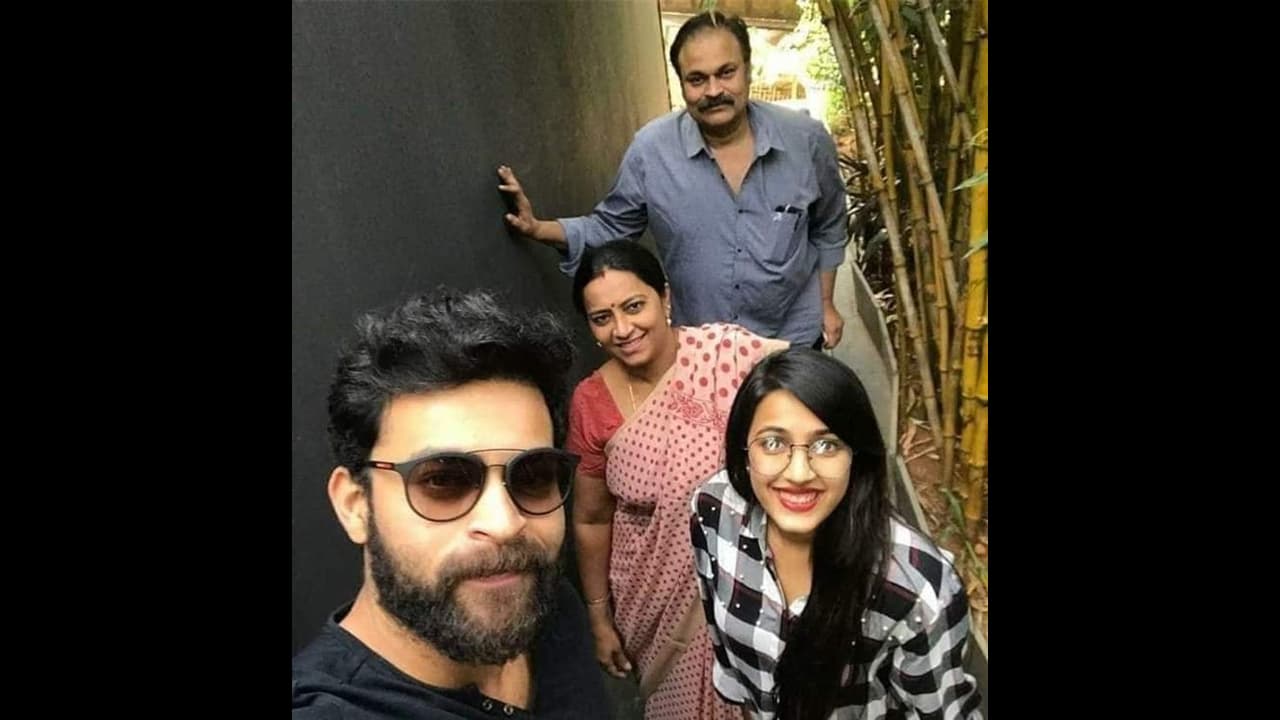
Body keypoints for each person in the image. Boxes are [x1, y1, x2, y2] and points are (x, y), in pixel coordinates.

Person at [292, 288, 610, 719]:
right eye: (442, 480)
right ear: (355, 505)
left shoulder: (546, 604)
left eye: (533, 476)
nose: (505, 523)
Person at [498, 10, 848, 350]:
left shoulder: (806, 140)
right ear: (681, 83)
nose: (714, 90)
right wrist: (538, 228)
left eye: (726, 73)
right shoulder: (651, 152)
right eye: (697, 79)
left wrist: (826, 303)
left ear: (748, 70)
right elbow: (610, 228)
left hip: (791, 338)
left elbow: (829, 225)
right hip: (703, 350)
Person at [690, 349, 983, 719]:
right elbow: (726, 651)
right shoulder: (715, 510)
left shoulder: (919, 588)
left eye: (826, 445)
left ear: (856, 457)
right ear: (744, 452)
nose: (799, 473)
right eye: (773, 443)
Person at [565, 240, 787, 719]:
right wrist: (599, 616)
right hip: (650, 599)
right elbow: (590, 518)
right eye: (602, 318)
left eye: (633, 306)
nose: (622, 329)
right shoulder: (591, 402)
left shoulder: (726, 355)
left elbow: (809, 388)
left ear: (664, 297)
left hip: (753, 587)